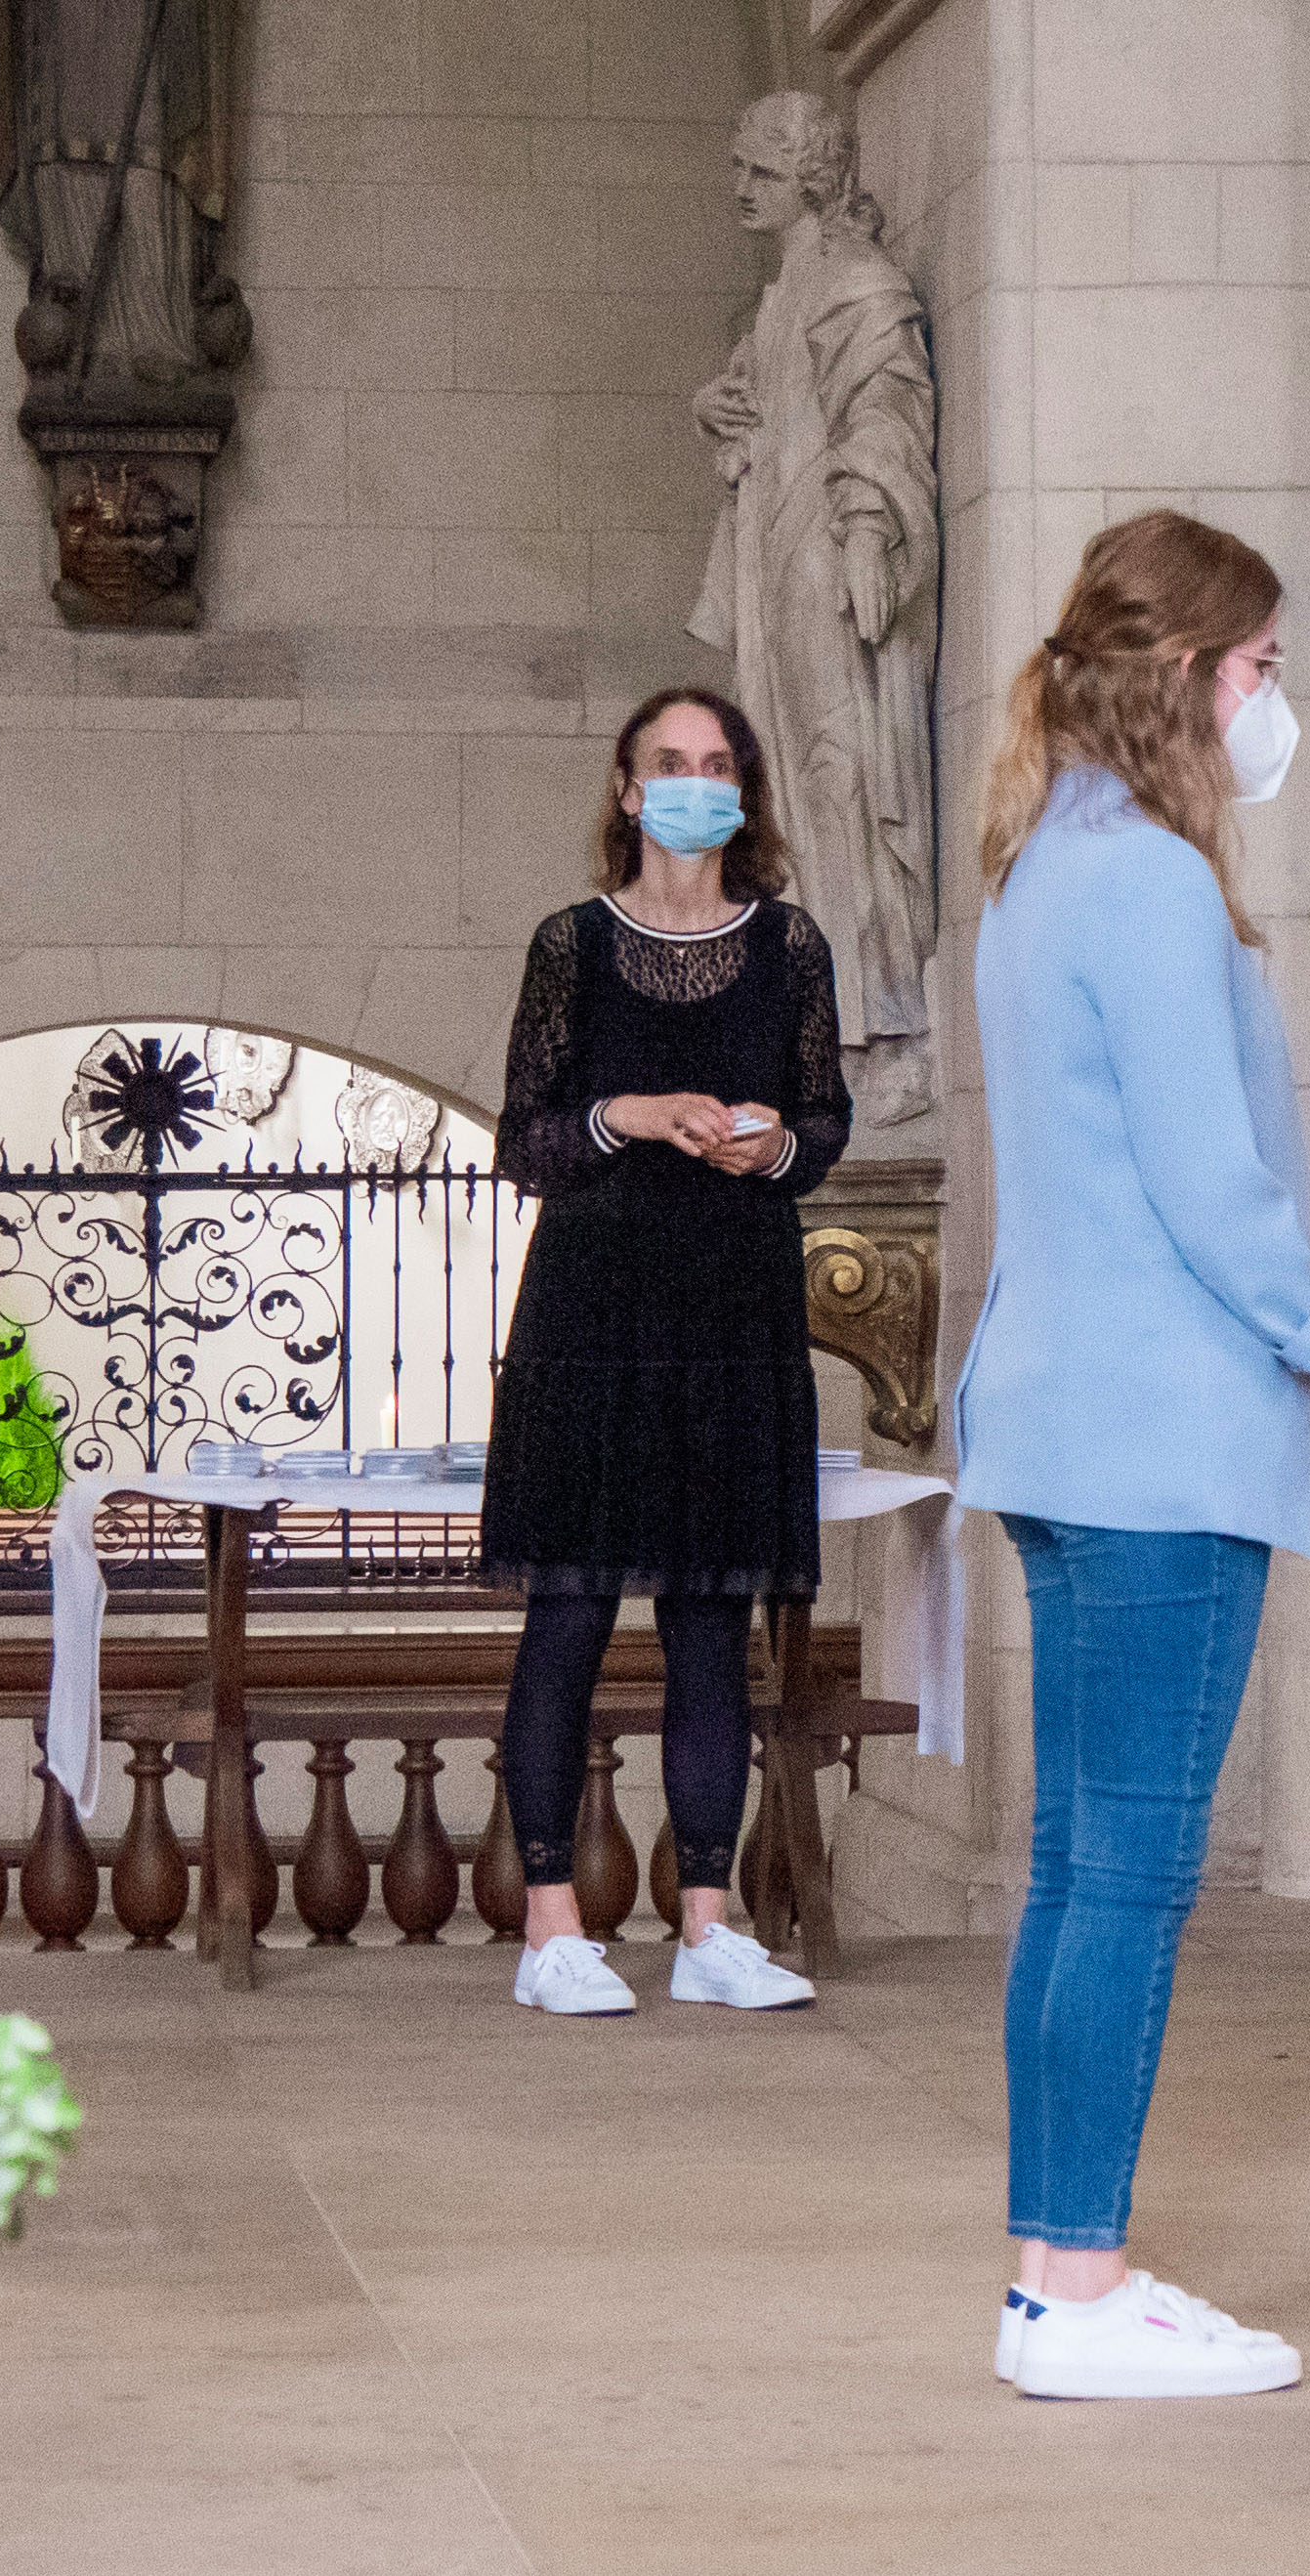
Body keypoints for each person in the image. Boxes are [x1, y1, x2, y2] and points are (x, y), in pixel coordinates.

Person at [955, 509, 1310, 2400]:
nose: (1273, 702)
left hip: (1066, 1424)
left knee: (1081, 1870)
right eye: (1260, 668)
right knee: (1133, 1877)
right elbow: (1205, 1184)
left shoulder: (1043, 865)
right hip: (1159, 1442)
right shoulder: (1153, 883)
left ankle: (1051, 2272)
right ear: (1184, 675)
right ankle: (1081, 2292)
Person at [485, 685, 851, 2021]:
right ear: (630, 791)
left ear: (742, 792)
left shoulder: (791, 947)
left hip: (733, 1304)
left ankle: (708, 1926)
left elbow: (827, 1119)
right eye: (671, 762)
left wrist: (777, 1144)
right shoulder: (571, 946)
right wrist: (628, 1114)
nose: (697, 781)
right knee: (571, 1610)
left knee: (711, 1617)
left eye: (718, 762)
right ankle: (551, 1930)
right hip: (594, 1306)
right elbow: (524, 1140)